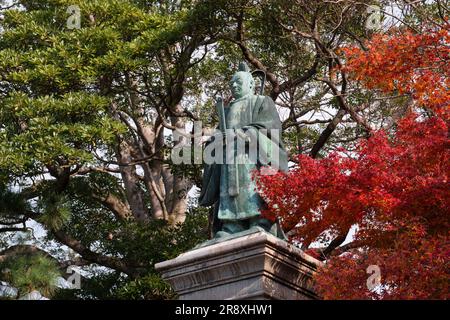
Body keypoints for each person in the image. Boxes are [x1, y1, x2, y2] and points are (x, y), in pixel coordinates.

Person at [199, 62, 288, 239]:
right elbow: (217, 136)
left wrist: (245, 135)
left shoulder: (261, 102)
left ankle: (259, 221)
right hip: (229, 159)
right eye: (232, 83)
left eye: (238, 82)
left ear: (250, 84)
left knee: (253, 187)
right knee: (228, 189)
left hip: (252, 155)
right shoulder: (227, 110)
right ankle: (232, 225)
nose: (234, 86)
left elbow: (270, 129)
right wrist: (216, 141)